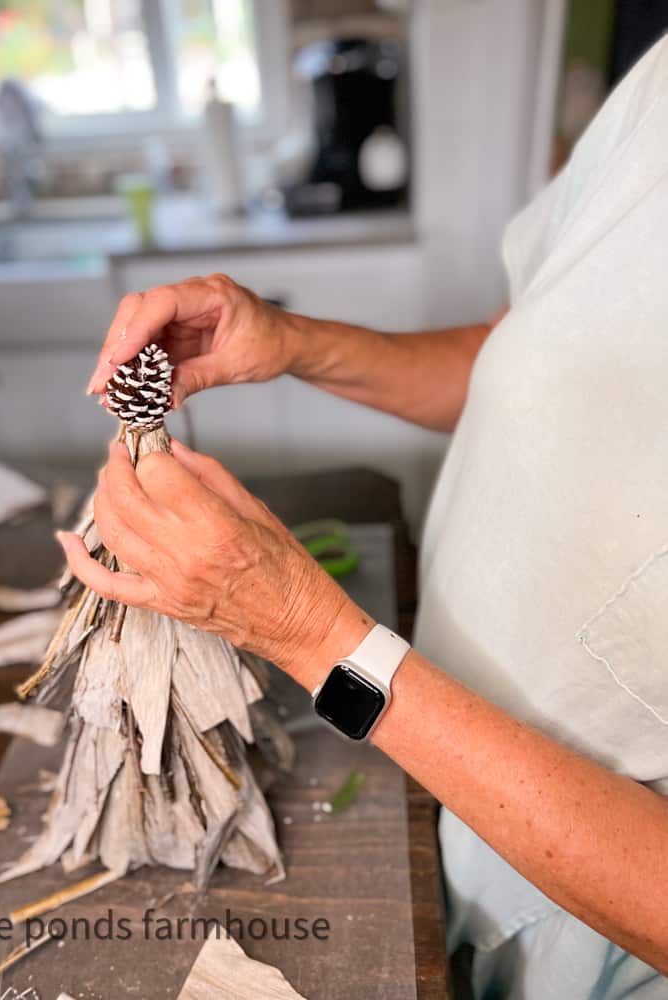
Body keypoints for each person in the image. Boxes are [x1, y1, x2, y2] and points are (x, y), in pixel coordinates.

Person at [59, 36, 668, 999]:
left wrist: (310, 634)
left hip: (588, 914)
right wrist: (295, 340)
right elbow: (542, 362)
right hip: (425, 755)